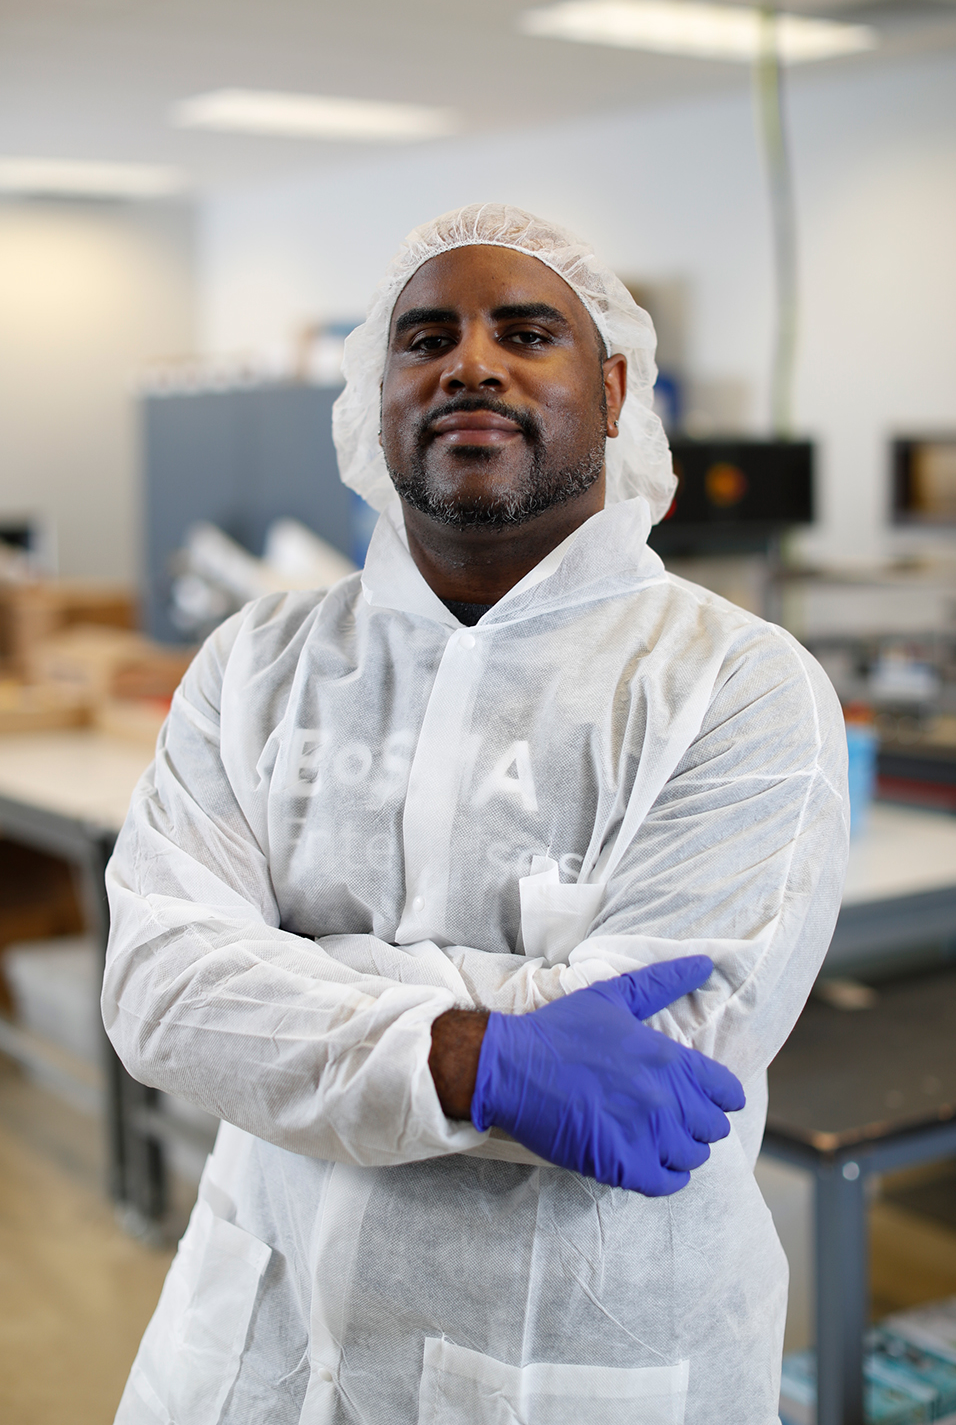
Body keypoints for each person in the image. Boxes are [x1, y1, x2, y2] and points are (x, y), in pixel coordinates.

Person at [103, 203, 849, 1425]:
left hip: (566, 1356)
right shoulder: (261, 661)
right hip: (251, 1353)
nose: (470, 362)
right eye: (426, 335)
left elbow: (662, 1072)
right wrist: (481, 1057)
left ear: (609, 391)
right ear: (376, 394)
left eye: (524, 330)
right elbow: (162, 989)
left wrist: (301, 975)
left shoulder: (736, 684)